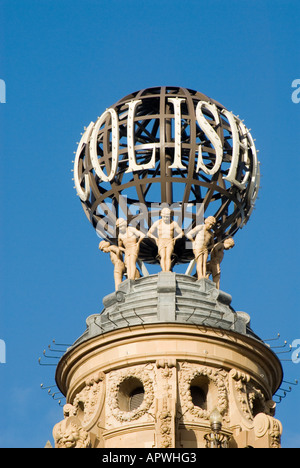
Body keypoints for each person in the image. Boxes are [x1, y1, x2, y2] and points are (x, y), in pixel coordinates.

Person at [147, 207, 183, 272]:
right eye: (165, 217)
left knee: (168, 256)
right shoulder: (158, 223)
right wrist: (155, 239)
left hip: (170, 240)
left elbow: (181, 233)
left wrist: (175, 239)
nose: (166, 219)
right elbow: (149, 233)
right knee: (163, 256)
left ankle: (168, 270)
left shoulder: (173, 223)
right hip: (161, 241)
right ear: (161, 216)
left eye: (167, 217)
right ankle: (164, 270)